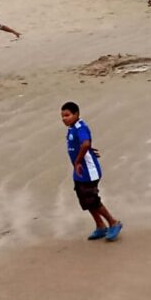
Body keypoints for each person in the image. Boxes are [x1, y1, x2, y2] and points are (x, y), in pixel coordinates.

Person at [61, 102, 123, 242]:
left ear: (76, 114)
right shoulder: (71, 129)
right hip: (79, 172)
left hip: (89, 171)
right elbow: (83, 145)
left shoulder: (80, 127)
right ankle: (100, 226)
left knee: (93, 200)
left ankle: (113, 222)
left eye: (67, 115)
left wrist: (78, 161)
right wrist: (86, 152)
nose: (64, 118)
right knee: (85, 200)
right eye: (62, 116)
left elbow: (85, 143)